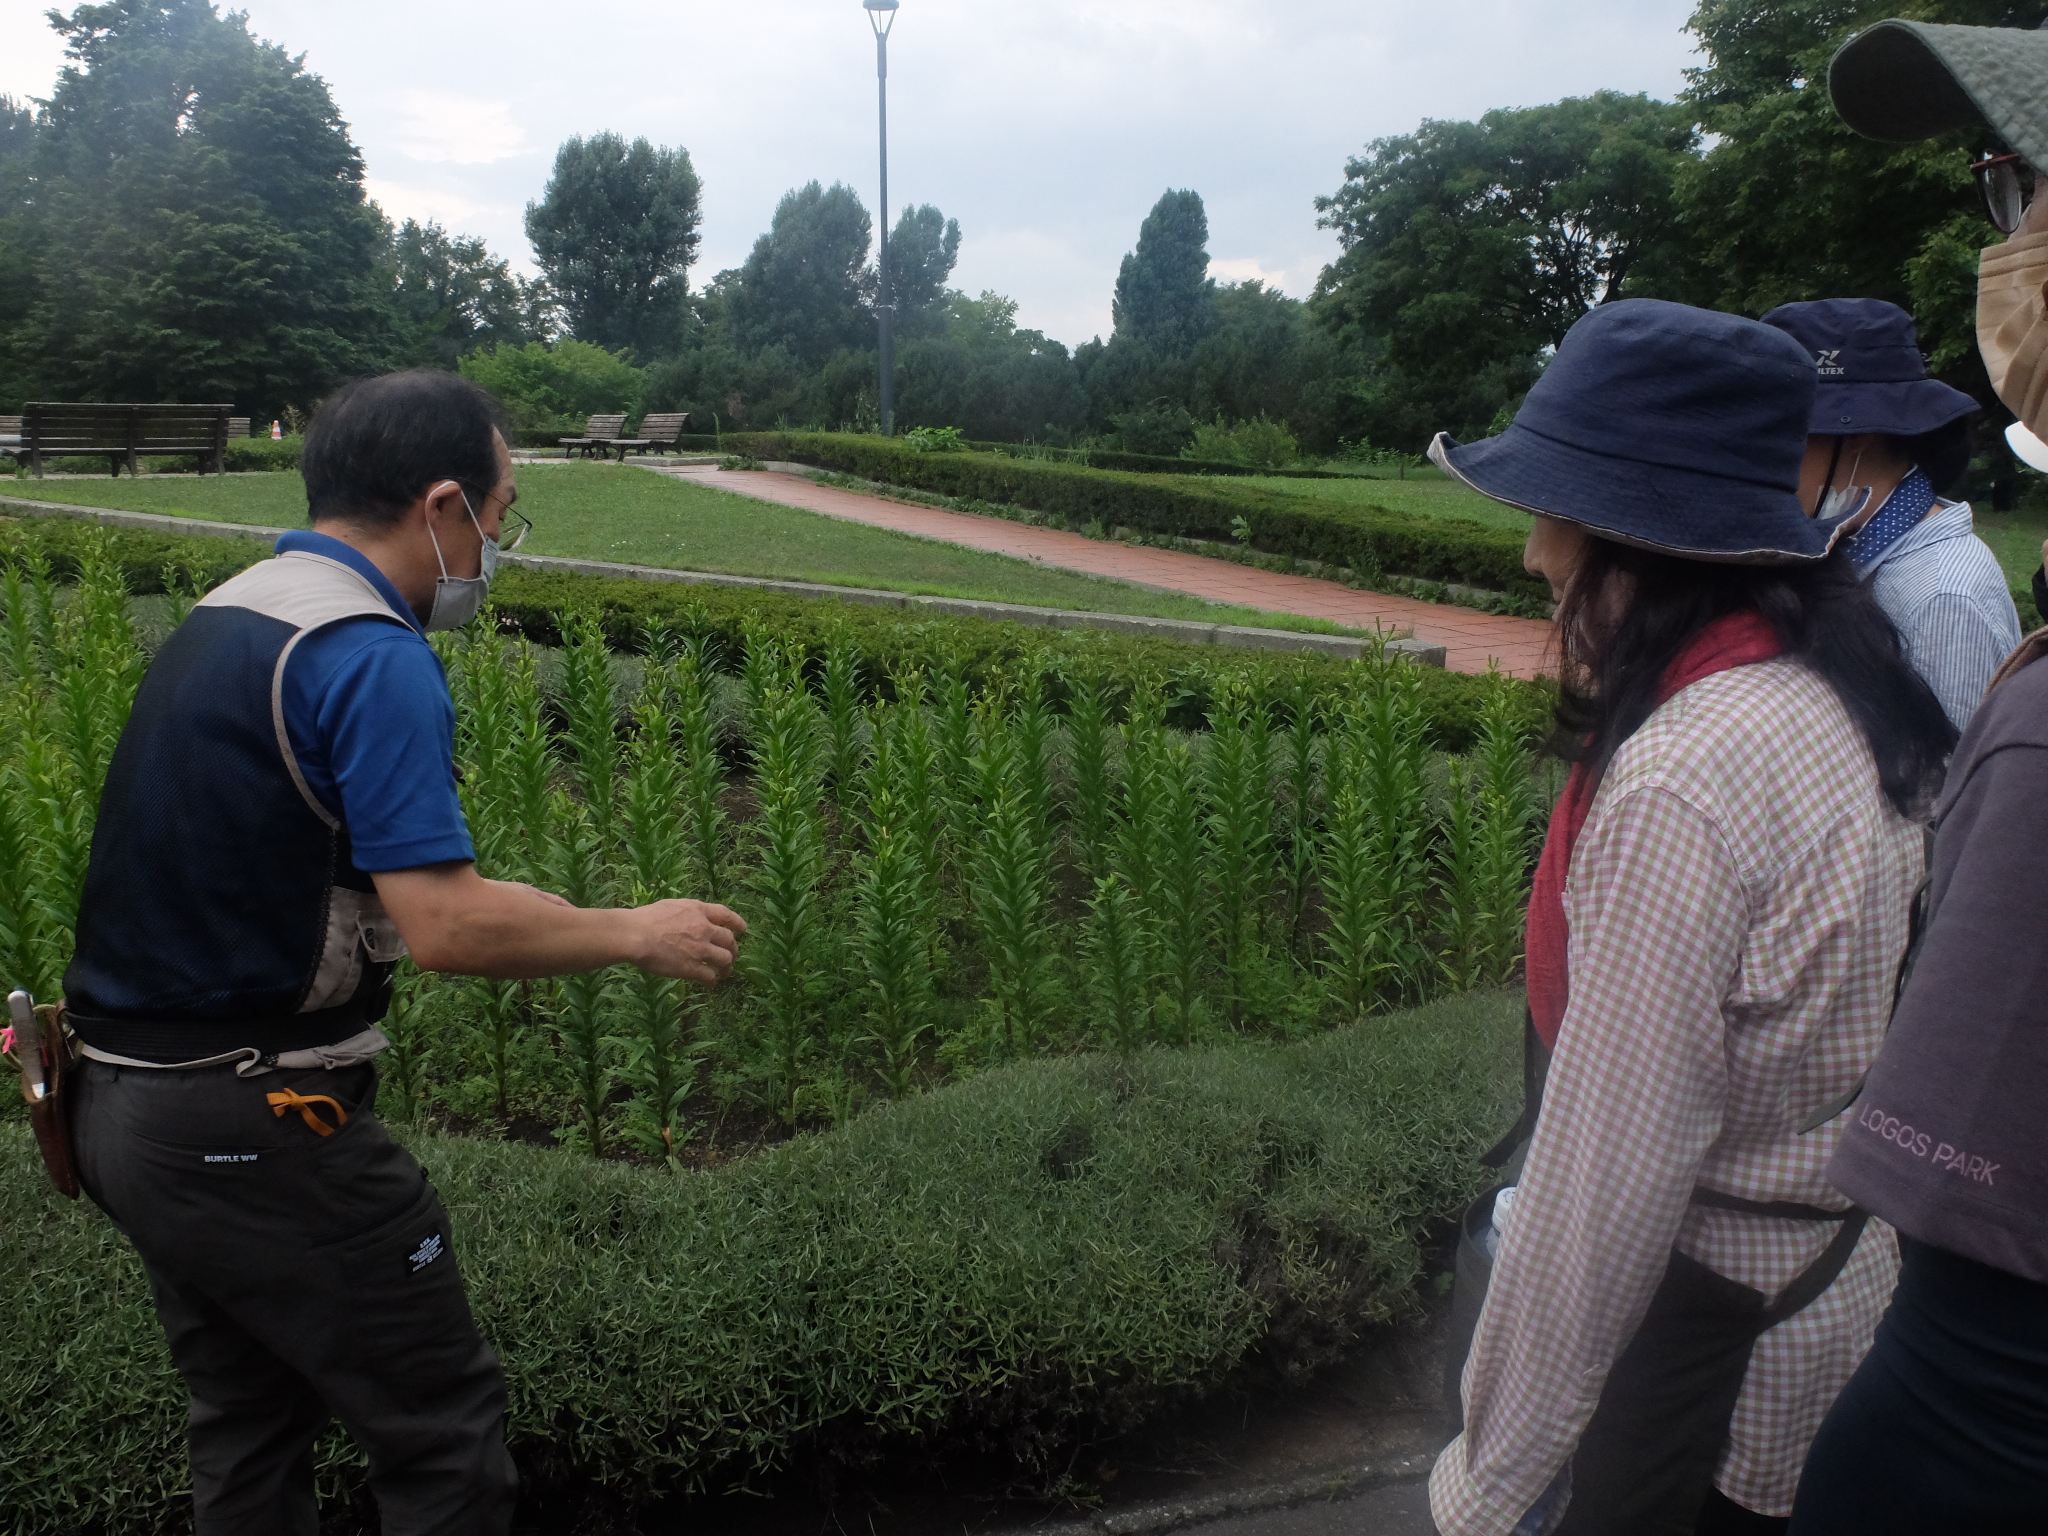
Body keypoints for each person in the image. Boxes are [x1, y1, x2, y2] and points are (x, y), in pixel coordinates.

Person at [61, 370, 749, 1536]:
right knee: (441, 1437)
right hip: (255, 1116)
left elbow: (368, 875)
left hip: (128, 1108)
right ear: (442, 506)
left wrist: (559, 908)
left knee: (249, 1422)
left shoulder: (237, 611)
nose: (495, 548)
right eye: (500, 512)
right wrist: (636, 932)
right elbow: (446, 928)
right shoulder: (369, 653)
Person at [1423, 299, 1955, 1535]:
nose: (1532, 556)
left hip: (1697, 1357)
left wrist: (1489, 1484)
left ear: (1630, 542)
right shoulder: (1823, 687)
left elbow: (1604, 1185)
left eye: (1550, 514)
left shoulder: (1683, 779)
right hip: (1819, 1311)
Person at [1759, 298, 2018, 731]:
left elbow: (1952, 768)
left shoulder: (1941, 598)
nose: (1765, 457)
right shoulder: (1855, 546)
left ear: (1856, 434)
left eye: (1784, 434)